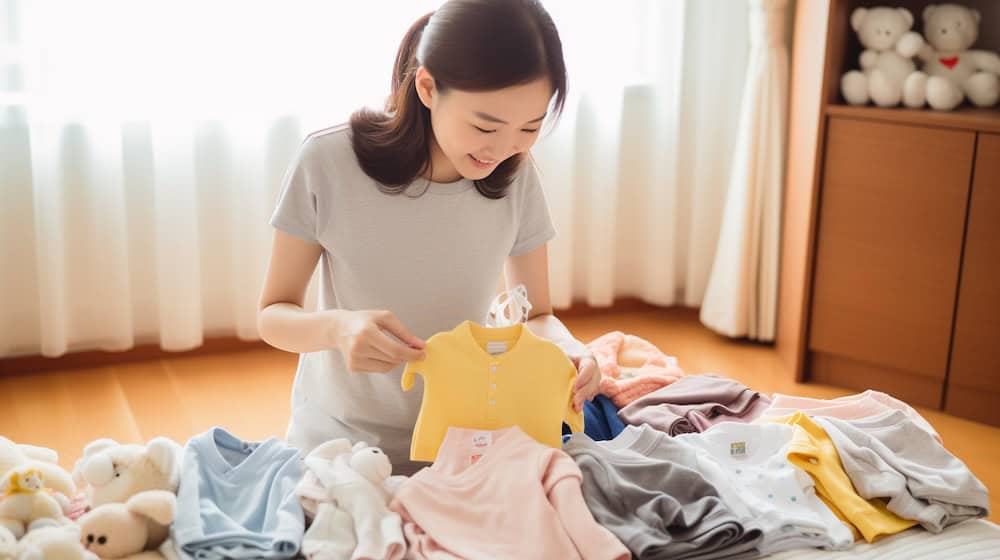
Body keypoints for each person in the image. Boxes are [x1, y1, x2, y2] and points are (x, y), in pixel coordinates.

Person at [257, 0, 600, 475]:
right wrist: (338, 328)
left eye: (529, 128)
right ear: (427, 86)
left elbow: (537, 315)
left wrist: (572, 351)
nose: (503, 150)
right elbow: (273, 316)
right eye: (485, 126)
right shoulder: (327, 162)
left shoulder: (516, 178)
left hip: (469, 445)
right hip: (343, 451)